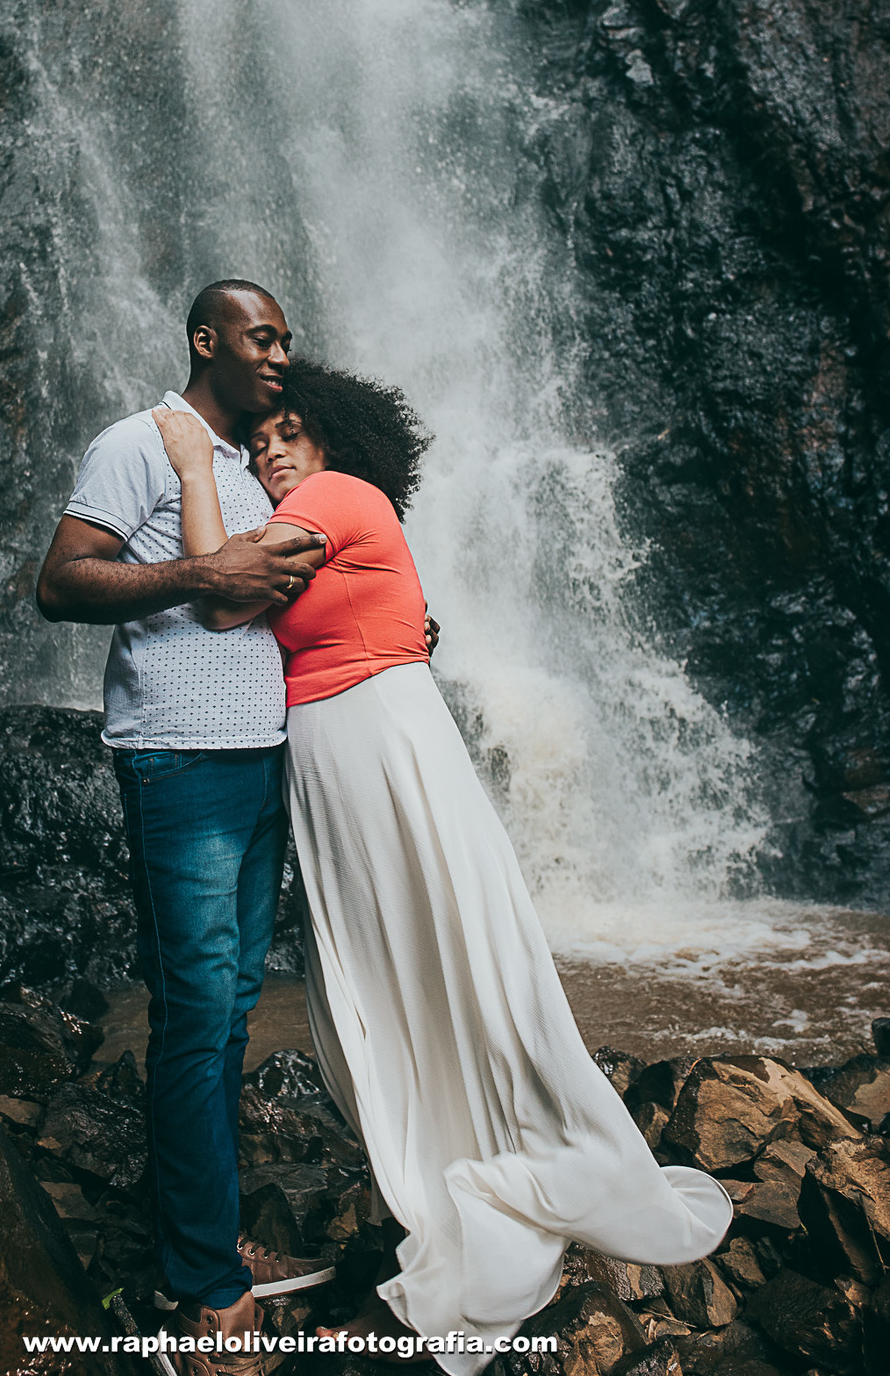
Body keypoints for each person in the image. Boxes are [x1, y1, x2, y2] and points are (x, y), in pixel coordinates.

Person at [152, 359, 733, 1376]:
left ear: (331, 437)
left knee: (439, 958)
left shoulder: (336, 496)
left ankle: (492, 1161)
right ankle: (452, 1155)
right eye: (257, 442)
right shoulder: (321, 518)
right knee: (403, 971)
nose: (271, 450)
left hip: (380, 745)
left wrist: (198, 468)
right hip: (337, 758)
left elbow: (221, 595)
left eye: (289, 432)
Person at [36, 280, 338, 1372]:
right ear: (207, 339)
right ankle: (208, 1289)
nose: (280, 354)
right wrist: (201, 570)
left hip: (263, 759)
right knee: (200, 1005)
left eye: (288, 340)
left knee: (230, 1006)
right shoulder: (135, 442)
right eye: (262, 336)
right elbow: (59, 583)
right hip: (179, 763)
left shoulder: (258, 464)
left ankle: (205, 1238)